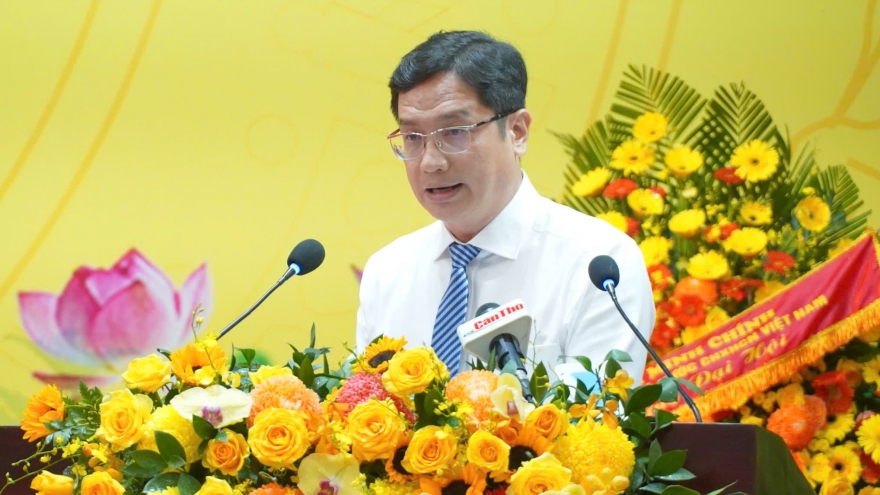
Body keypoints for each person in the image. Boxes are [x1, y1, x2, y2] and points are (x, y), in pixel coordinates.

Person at [356, 30, 655, 382]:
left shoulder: (598, 264)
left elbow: (598, 410)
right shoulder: (388, 272)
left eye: (454, 132)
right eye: (412, 137)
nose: (430, 162)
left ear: (517, 132)